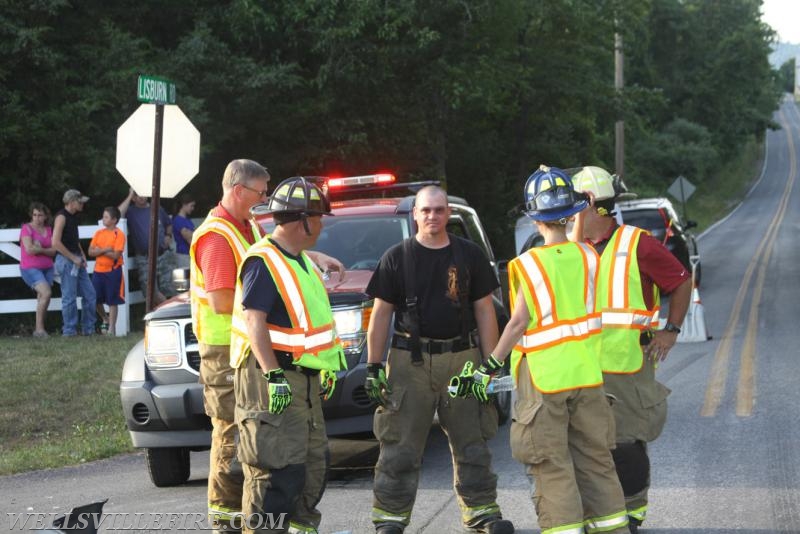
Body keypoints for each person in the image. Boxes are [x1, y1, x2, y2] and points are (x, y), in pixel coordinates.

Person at [452, 166, 630, 534]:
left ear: (533, 218)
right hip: (587, 375)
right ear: (571, 213)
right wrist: (582, 208)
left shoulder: (528, 265)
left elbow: (517, 323)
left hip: (545, 380)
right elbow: (573, 248)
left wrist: (488, 367)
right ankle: (612, 527)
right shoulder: (589, 257)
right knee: (596, 460)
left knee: (551, 465)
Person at [190, 161, 344, 531]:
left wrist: (307, 257)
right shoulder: (218, 236)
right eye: (261, 193)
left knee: (293, 461)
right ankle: (228, 525)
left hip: (277, 364)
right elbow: (228, 302)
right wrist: (273, 371)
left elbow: (277, 258)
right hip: (233, 356)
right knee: (243, 450)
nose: (264, 202)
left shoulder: (246, 228)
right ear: (239, 190)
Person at [364, 185, 514, 534]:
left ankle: (482, 512)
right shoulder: (396, 257)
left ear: (449, 214)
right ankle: (390, 518)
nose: (432, 216)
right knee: (400, 444)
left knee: (472, 440)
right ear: (415, 214)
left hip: (463, 359)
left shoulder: (470, 255)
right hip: (408, 363)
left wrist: (488, 369)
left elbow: (484, 310)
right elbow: (380, 314)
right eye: (426, 210)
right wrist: (373, 367)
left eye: (439, 210)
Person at [571, 165, 692, 533]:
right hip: (578, 367)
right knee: (586, 446)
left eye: (574, 203)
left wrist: (670, 330)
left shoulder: (637, 244)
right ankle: (600, 512)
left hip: (626, 365)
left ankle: (633, 512)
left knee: (626, 445)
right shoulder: (569, 249)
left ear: (590, 202)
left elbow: (682, 281)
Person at [118, 189, 176, 305]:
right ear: (133, 198)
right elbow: (118, 214)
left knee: (169, 288)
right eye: (137, 195)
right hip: (144, 258)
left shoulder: (157, 208)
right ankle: (167, 308)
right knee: (149, 290)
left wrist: (168, 235)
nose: (142, 197)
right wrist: (129, 195)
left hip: (163, 254)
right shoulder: (131, 211)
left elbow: (168, 224)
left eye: (143, 193)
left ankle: (166, 314)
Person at [52, 189, 96, 337]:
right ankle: (69, 331)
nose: (82, 204)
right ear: (71, 202)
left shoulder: (73, 217)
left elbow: (74, 240)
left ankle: (88, 329)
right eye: (80, 201)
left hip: (76, 259)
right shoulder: (61, 217)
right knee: (69, 297)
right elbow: (55, 243)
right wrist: (73, 257)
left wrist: (82, 256)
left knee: (90, 294)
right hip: (67, 261)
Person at [19, 202, 56, 337]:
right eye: (34, 215)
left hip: (47, 268)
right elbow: (29, 250)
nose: (36, 218)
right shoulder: (26, 228)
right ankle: (40, 330)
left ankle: (39, 329)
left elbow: (54, 252)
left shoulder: (49, 229)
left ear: (45, 216)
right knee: (46, 293)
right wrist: (44, 250)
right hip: (30, 268)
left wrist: (39, 249)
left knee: (42, 297)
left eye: (40, 215)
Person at [88, 206, 126, 336]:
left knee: (112, 300)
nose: (103, 219)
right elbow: (90, 251)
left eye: (106, 217)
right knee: (95, 299)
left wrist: (100, 250)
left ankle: (111, 329)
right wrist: (105, 250)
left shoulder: (119, 234)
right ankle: (105, 318)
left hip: (113, 271)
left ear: (114, 220)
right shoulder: (99, 233)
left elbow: (116, 255)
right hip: (98, 270)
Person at [172, 192, 196, 269]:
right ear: (184, 205)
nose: (193, 208)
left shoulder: (187, 220)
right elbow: (189, 238)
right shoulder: (178, 220)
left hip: (190, 255)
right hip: (184, 256)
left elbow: (194, 235)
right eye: (191, 206)